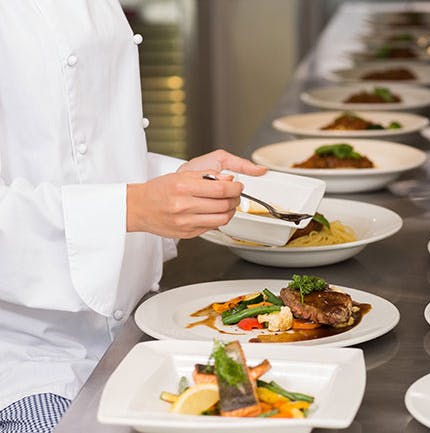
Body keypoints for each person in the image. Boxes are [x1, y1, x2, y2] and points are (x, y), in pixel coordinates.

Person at [0, 2, 266, 432]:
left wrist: (173, 181)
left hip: (127, 332)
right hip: (24, 359)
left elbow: (79, 148)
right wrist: (133, 207)